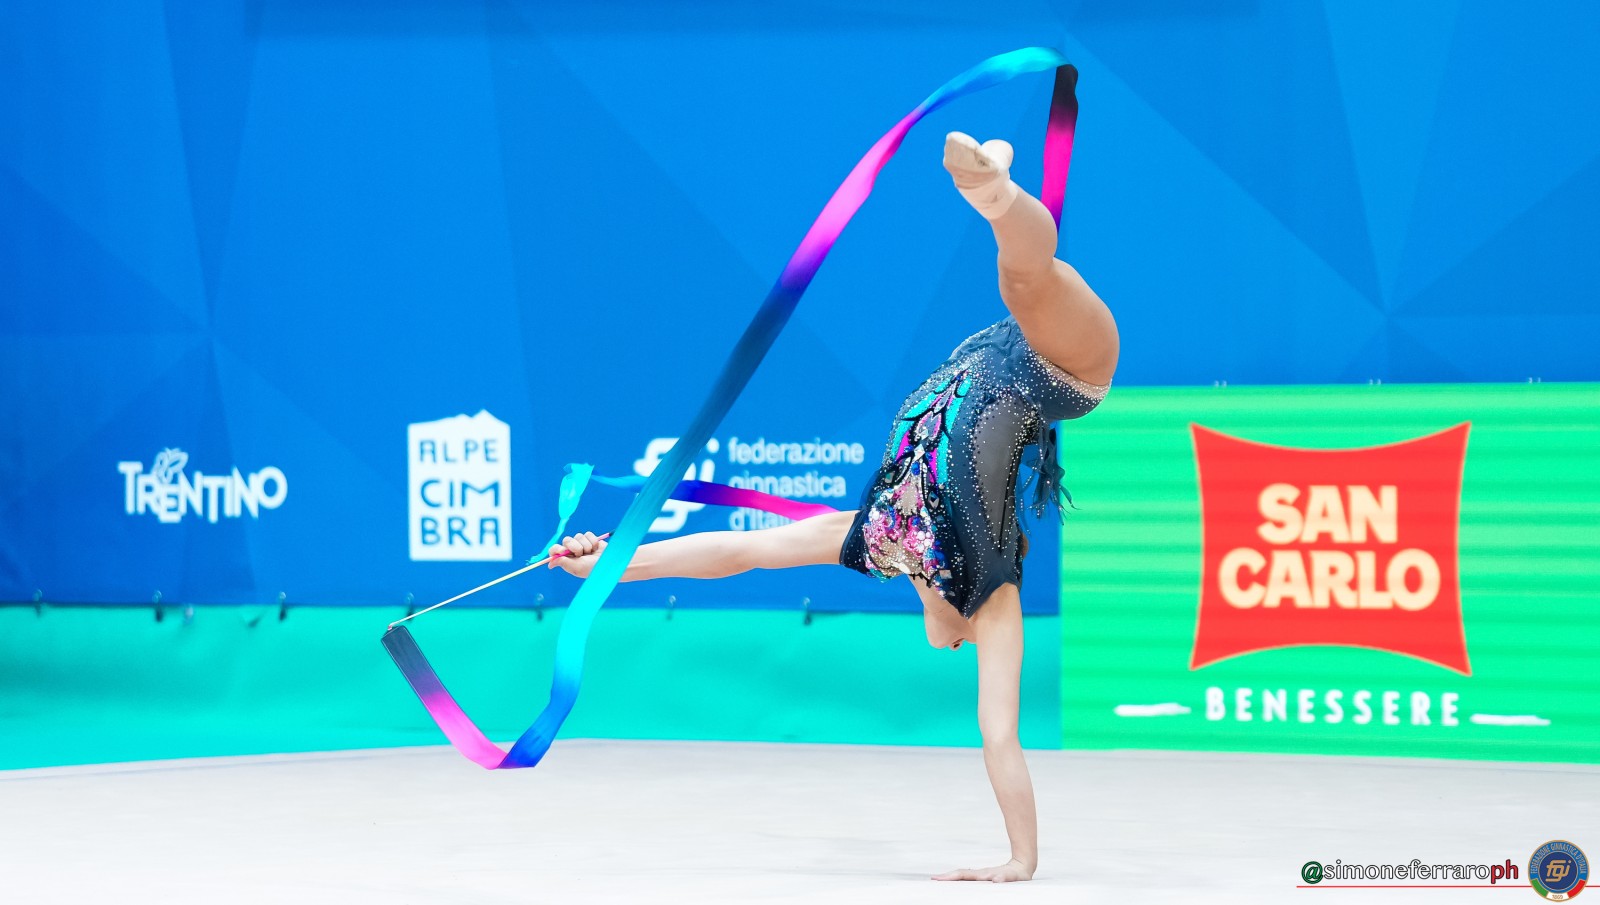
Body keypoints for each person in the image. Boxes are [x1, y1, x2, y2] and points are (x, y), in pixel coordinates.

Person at [549, 130, 1119, 883]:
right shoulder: (992, 598)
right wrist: (1022, 858)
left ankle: (995, 190)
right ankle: (996, 192)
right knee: (1028, 279)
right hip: (1067, 370)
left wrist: (611, 564)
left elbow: (739, 552)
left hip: (995, 352)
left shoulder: (881, 537)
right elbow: (1000, 737)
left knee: (1023, 280)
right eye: (957, 649)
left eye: (950, 647)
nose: (947, 646)